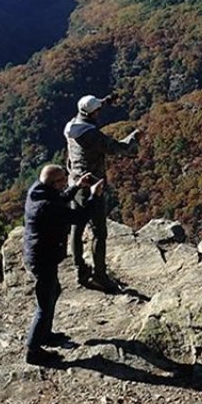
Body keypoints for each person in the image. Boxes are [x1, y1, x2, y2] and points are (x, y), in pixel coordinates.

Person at [22, 164, 102, 365]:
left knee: (54, 291)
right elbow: (79, 217)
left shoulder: (37, 191)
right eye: (62, 181)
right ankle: (33, 351)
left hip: (40, 254)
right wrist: (94, 195)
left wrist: (77, 186)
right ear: (54, 183)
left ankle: (45, 335)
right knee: (44, 304)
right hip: (43, 259)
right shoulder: (48, 206)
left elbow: (60, 199)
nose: (66, 183)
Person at [64, 94, 140, 291]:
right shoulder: (92, 136)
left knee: (77, 228)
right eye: (98, 110)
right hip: (91, 186)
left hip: (74, 182)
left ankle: (80, 269)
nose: (100, 113)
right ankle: (100, 275)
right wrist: (134, 137)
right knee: (99, 232)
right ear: (93, 113)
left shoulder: (72, 125)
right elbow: (118, 148)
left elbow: (89, 111)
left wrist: (104, 102)